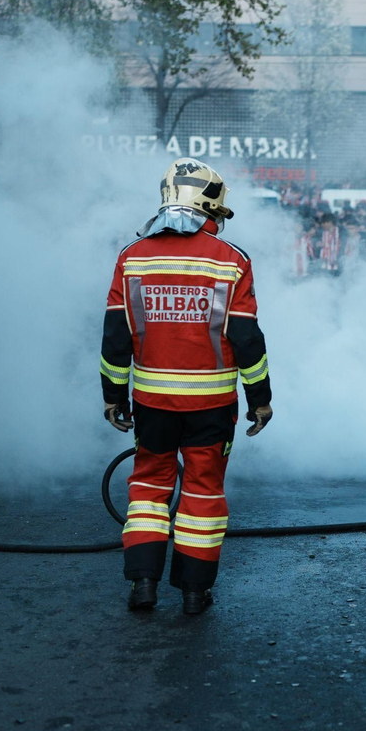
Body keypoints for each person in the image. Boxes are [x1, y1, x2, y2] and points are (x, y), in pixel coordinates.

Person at [100, 158, 273, 615]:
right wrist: (261, 399)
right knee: (203, 492)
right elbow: (246, 338)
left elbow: (116, 337)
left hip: (151, 402)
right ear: (207, 207)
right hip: (212, 406)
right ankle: (194, 593)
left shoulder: (131, 258)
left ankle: (143, 584)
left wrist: (113, 396)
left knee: (149, 488)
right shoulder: (232, 261)